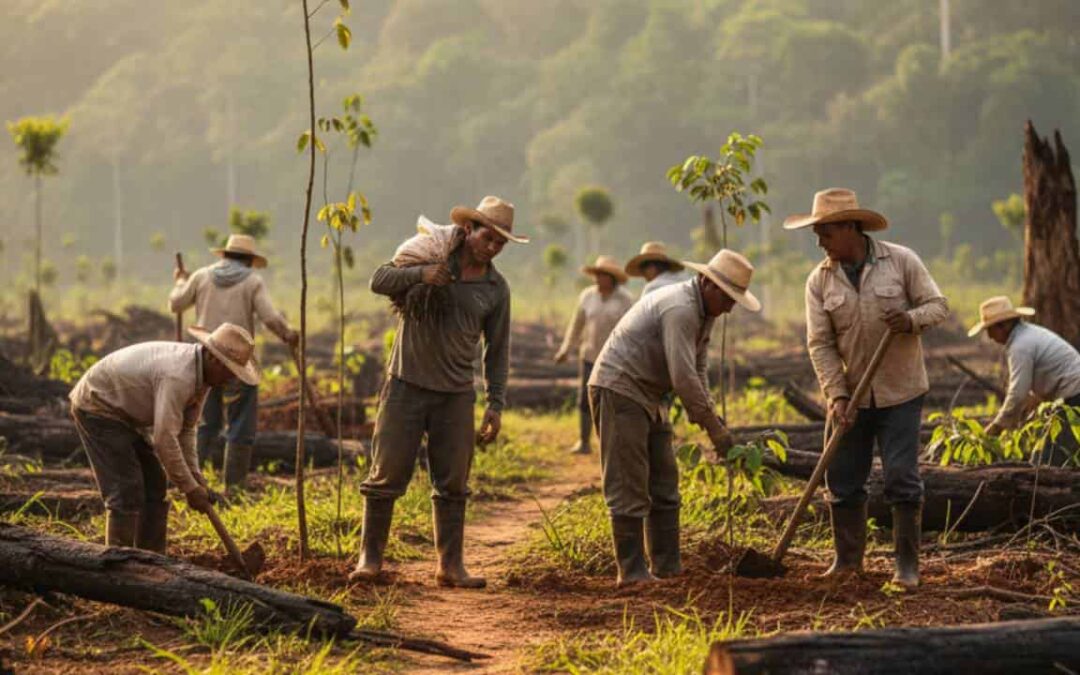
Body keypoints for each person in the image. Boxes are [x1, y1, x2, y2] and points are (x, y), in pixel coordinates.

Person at [350, 196, 528, 588]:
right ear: (469, 230)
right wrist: (422, 276)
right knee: (386, 476)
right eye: (489, 238)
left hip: (456, 394)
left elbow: (496, 351)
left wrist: (496, 404)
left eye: (501, 243)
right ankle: (370, 559)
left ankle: (451, 565)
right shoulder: (432, 258)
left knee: (452, 483)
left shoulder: (496, 289)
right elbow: (378, 280)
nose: (493, 247)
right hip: (405, 386)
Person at [785, 187, 949, 590]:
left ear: (849, 228)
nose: (820, 242)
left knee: (901, 479)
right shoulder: (819, 281)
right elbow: (820, 344)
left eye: (824, 232)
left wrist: (910, 320)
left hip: (901, 392)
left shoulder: (901, 261)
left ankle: (906, 568)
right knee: (841, 478)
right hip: (851, 396)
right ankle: (846, 563)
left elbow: (938, 306)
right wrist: (836, 395)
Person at [588, 249, 758, 587]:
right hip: (621, 388)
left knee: (665, 483)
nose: (730, 307)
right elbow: (682, 377)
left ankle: (667, 565)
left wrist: (712, 416)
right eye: (728, 297)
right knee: (629, 483)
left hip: (652, 395)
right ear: (707, 284)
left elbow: (698, 368)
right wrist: (715, 430)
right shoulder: (680, 309)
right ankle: (633, 571)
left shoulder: (704, 313)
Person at [69, 323, 259, 552]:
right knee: (126, 488)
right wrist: (189, 489)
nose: (231, 379)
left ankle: (152, 559)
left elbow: (186, 430)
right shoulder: (179, 376)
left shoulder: (203, 377)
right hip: (98, 405)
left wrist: (195, 477)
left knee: (155, 484)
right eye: (230, 371)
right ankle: (118, 564)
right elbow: (164, 438)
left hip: (126, 414)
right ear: (215, 359)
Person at [169, 234, 298, 491]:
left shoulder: (202, 276)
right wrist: (288, 334)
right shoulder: (252, 281)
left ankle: (192, 481)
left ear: (225, 255)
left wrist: (180, 282)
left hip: (204, 359)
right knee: (241, 424)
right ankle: (234, 488)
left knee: (205, 422)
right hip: (239, 363)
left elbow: (176, 303)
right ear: (249, 260)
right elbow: (269, 317)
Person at [969, 296, 1080, 465]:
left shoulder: (1020, 346)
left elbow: (1017, 393)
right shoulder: (1027, 335)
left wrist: (997, 426)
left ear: (1003, 326)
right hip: (1071, 394)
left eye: (990, 330)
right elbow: (1029, 391)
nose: (990, 336)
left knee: (1045, 462)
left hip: (1075, 396)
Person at [554, 255, 635, 455]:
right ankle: (584, 441)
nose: (599, 279)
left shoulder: (625, 299)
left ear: (612, 278)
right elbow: (576, 324)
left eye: (603, 275)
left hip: (615, 359)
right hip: (589, 355)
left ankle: (611, 443)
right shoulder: (587, 296)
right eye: (597, 275)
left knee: (611, 401)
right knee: (585, 399)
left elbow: (632, 329)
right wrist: (566, 348)